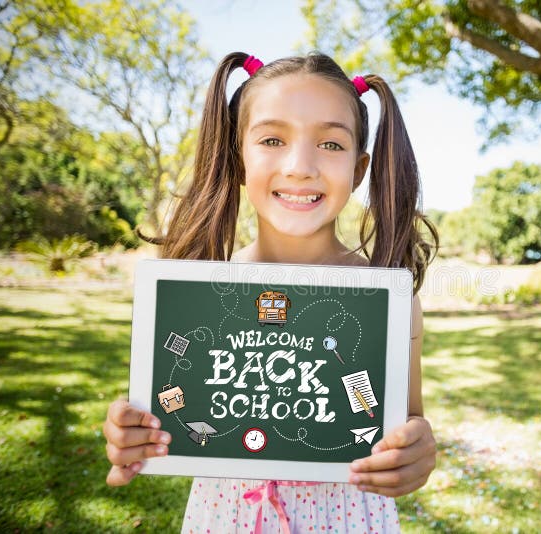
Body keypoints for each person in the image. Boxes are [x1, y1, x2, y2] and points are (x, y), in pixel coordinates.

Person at [102, 51, 439, 533]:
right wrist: (130, 434)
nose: (301, 166)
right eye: (273, 139)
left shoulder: (389, 300)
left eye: (330, 143)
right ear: (237, 156)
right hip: (225, 519)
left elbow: (408, 422)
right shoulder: (196, 289)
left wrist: (417, 452)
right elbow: (171, 404)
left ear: (359, 169)